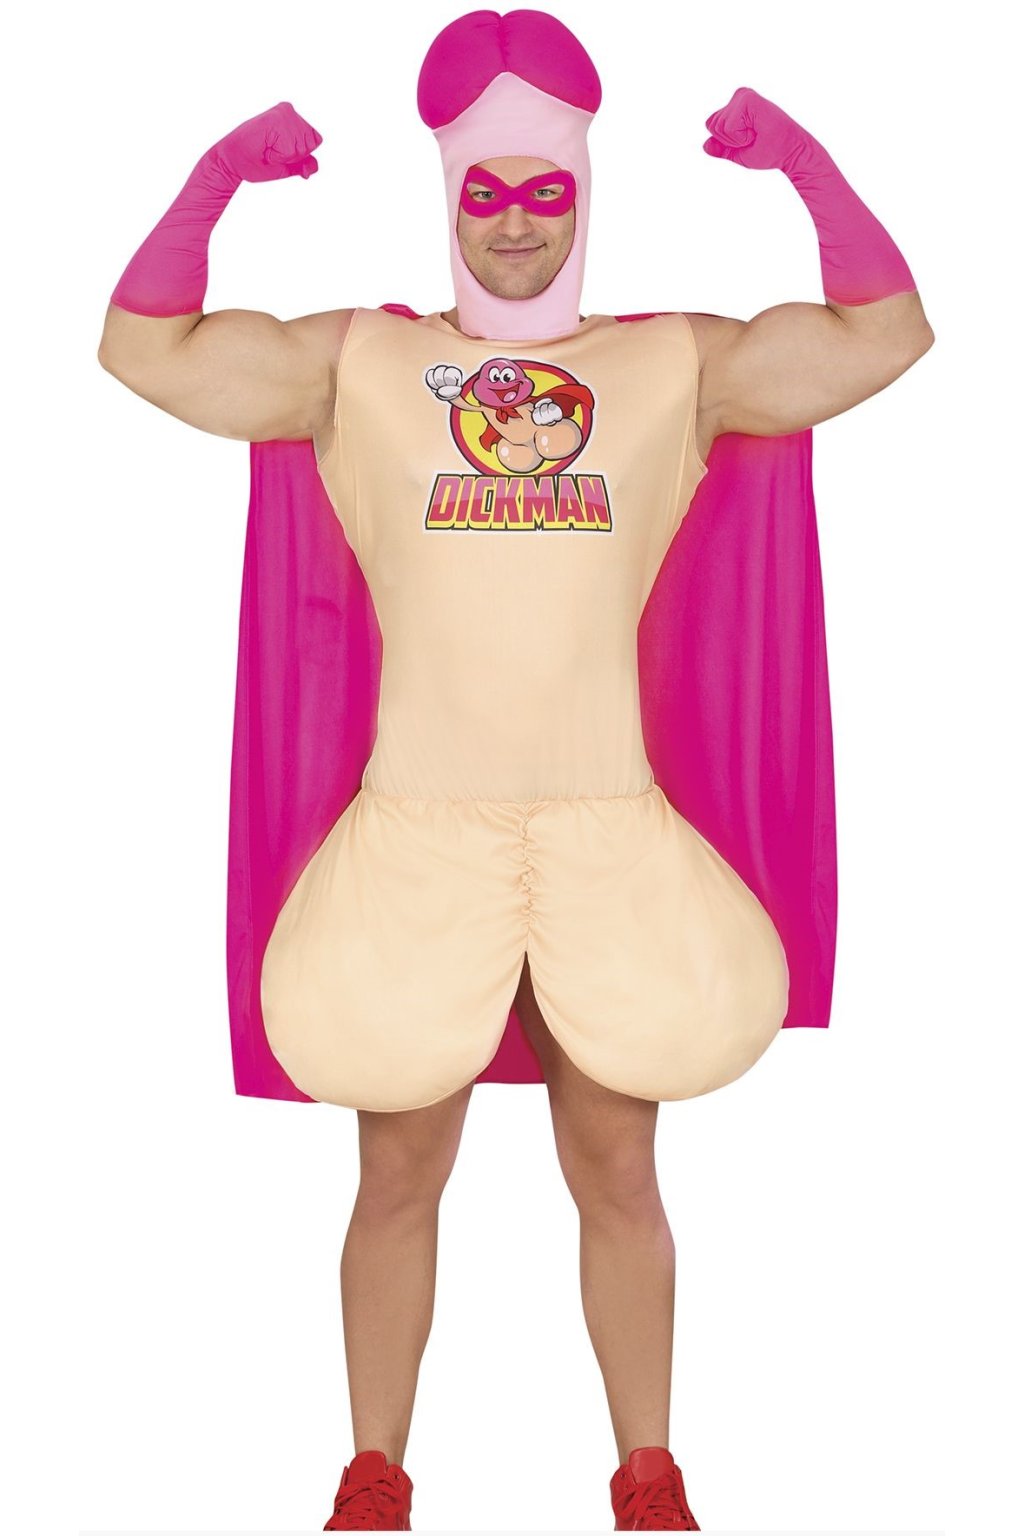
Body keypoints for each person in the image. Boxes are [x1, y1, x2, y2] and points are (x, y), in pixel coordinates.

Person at [97, 8, 934, 1531]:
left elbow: (884, 335)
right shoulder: (364, 361)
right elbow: (143, 349)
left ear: (586, 187)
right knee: (399, 1167)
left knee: (616, 1167)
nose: (516, 220)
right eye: (486, 189)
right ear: (446, 190)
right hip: (420, 834)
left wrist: (807, 166)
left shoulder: (668, 365)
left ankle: (647, 1472)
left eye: (545, 188)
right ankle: (374, 1475)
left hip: (608, 829)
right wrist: (214, 180)